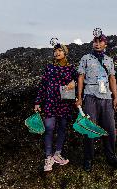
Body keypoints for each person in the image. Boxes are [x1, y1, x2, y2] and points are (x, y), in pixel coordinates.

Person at [75, 29, 117, 172]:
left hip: (106, 98)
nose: (97, 43)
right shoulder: (86, 58)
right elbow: (81, 77)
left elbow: (112, 78)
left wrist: (115, 97)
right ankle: (88, 159)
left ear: (105, 44)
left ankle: (111, 155)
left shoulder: (109, 60)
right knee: (89, 129)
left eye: (100, 41)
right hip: (90, 96)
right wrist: (79, 96)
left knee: (110, 129)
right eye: (95, 41)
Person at [34, 42, 77, 172]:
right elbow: (43, 85)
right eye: (55, 51)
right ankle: (48, 157)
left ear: (65, 52)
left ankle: (57, 154)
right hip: (50, 102)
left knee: (63, 128)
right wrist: (37, 102)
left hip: (65, 103)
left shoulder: (71, 68)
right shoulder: (49, 67)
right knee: (49, 127)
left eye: (60, 50)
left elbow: (80, 81)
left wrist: (73, 83)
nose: (57, 53)